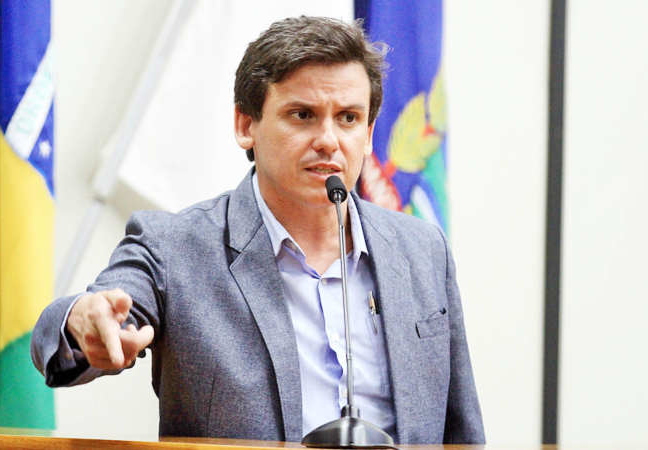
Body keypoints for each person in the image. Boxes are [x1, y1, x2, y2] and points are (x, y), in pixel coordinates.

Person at [31, 16, 484, 444]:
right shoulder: (174, 247)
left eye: (348, 118)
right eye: (302, 115)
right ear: (245, 125)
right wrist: (82, 323)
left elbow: (461, 431)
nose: (329, 140)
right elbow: (83, 321)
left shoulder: (422, 249)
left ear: (368, 134)